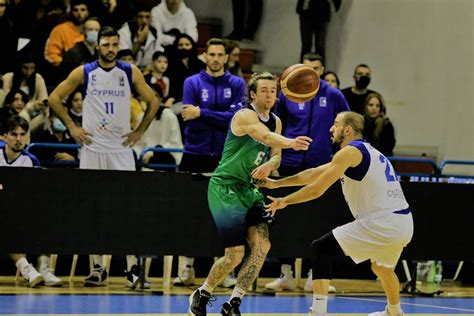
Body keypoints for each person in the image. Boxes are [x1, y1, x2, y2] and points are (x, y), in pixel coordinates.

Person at [262, 111, 413, 316]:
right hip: (403, 223)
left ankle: (318, 311)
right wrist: (277, 184)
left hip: (382, 222)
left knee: (321, 248)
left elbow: (317, 188)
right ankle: (394, 312)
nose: (331, 129)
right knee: (381, 268)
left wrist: (285, 201)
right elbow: (314, 173)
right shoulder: (367, 152)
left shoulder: (350, 152)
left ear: (348, 130)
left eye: (336, 124)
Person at [188, 72, 312, 315]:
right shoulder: (244, 115)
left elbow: (276, 155)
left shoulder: (276, 120)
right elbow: (264, 136)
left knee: (262, 246)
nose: (269, 95)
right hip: (225, 187)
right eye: (264, 90)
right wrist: (292, 142)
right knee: (235, 255)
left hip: (249, 188)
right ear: (253, 94)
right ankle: (202, 293)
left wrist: (270, 164)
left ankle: (233, 302)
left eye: (273, 91)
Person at [48, 26, 159, 287]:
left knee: (127, 210)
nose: (110, 49)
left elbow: (153, 102)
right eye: (106, 44)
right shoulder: (84, 72)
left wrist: (140, 131)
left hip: (121, 149)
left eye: (114, 44)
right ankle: (98, 268)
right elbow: (54, 98)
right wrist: (72, 127)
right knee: (94, 210)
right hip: (93, 148)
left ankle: (133, 269)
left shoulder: (129, 71)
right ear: (97, 45)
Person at [266, 52, 348, 292]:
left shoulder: (333, 95)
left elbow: (347, 126)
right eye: (306, 67)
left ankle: (316, 275)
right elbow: (277, 127)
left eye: (315, 67)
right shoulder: (288, 92)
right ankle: (286, 274)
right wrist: (276, 157)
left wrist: (339, 157)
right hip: (291, 163)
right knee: (285, 216)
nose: (309, 71)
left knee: (319, 221)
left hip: (322, 164)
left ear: (321, 70)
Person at [1, 115, 63, 287]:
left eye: (23, 135)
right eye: (14, 134)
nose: (19, 139)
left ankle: (43, 267)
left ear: (28, 137)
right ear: (4, 136)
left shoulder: (31, 160)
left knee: (47, 218)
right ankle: (26, 268)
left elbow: (36, 192)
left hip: (22, 209)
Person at [363, 92, 395, 157]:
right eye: (371, 105)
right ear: (365, 106)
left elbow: (389, 146)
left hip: (381, 159)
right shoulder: (360, 123)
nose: (374, 108)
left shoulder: (386, 125)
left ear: (381, 108)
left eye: (377, 106)